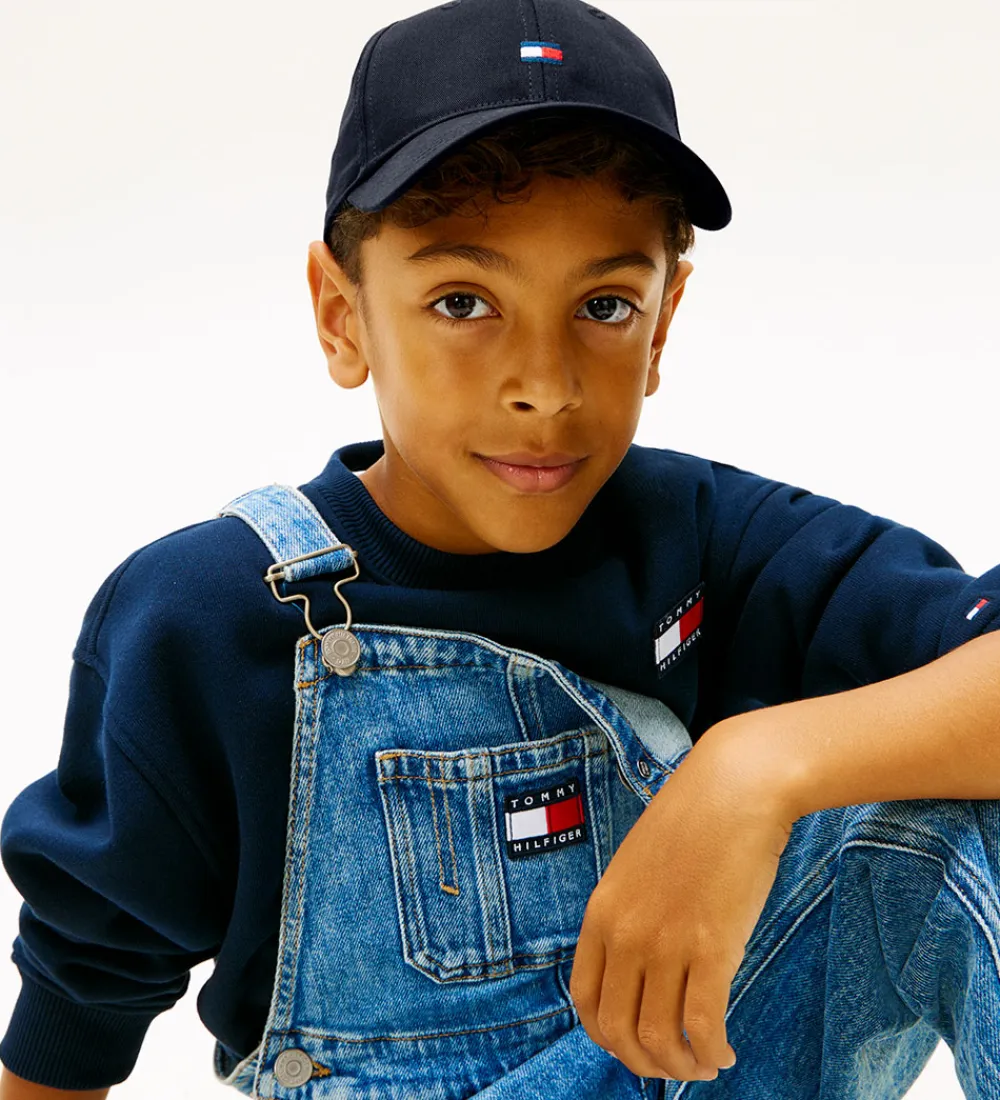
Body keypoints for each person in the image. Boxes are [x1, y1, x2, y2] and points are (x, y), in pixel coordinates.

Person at [2, 0, 999, 1097]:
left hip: (697, 1069)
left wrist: (753, 770)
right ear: (341, 315)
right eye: (463, 300)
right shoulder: (212, 614)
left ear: (662, 324)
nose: (544, 385)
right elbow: (77, 1004)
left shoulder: (705, 538)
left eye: (604, 306)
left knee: (955, 811)